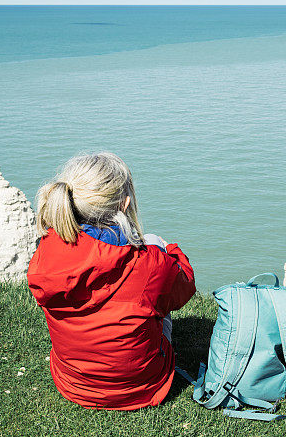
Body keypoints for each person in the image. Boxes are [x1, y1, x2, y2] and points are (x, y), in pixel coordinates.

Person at [27, 152, 196, 410]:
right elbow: (185, 287)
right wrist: (167, 250)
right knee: (153, 245)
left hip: (73, 384)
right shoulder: (149, 263)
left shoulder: (45, 255)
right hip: (142, 387)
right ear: (125, 204)